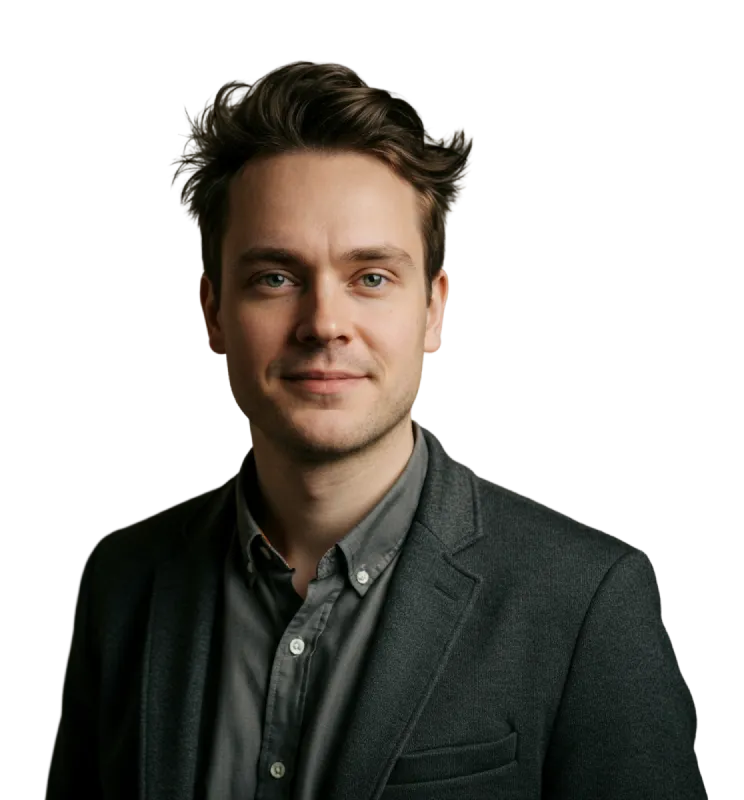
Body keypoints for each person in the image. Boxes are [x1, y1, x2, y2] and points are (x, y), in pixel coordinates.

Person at [45, 59, 706, 799]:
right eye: (275, 277)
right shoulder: (124, 580)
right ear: (212, 313)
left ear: (434, 310)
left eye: (371, 277)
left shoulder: (585, 603)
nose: (325, 323)